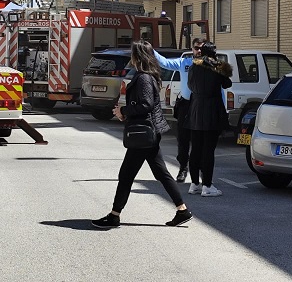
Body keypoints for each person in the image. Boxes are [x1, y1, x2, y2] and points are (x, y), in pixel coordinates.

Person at [91, 40, 192, 229]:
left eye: (132, 54)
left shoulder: (144, 77)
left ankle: (114, 216)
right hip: (147, 133)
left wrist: (124, 110)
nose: (131, 57)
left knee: (127, 175)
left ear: (138, 57)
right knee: (160, 173)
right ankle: (182, 209)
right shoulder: (146, 75)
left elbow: (145, 104)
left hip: (144, 133)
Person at [186, 42, 232, 197]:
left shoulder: (193, 66)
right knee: (208, 150)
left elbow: (190, 85)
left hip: (195, 108)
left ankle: (194, 184)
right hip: (212, 109)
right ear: (214, 53)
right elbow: (227, 84)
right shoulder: (218, 67)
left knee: (196, 149)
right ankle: (207, 185)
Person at [154, 39, 204, 183]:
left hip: (200, 106)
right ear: (192, 49)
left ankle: (201, 170)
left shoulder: (210, 65)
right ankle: (183, 168)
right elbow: (164, 63)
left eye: (201, 48)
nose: (199, 51)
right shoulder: (185, 63)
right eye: (196, 48)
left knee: (199, 140)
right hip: (186, 105)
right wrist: (151, 50)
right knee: (183, 139)